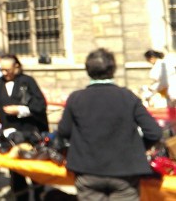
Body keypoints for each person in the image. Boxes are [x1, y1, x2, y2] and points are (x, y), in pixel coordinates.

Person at [58, 48, 162, 201]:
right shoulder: (127, 97)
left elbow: (64, 131)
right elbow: (154, 133)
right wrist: (138, 148)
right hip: (125, 170)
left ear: (88, 70)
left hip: (87, 169)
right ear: (113, 70)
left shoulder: (76, 98)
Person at [0, 54, 48, 201]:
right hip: (10, 136)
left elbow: (40, 105)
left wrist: (20, 109)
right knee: (16, 174)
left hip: (29, 133)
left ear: (16, 67)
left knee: (35, 171)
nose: (4, 73)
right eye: (2, 70)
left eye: (7, 70)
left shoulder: (28, 81)